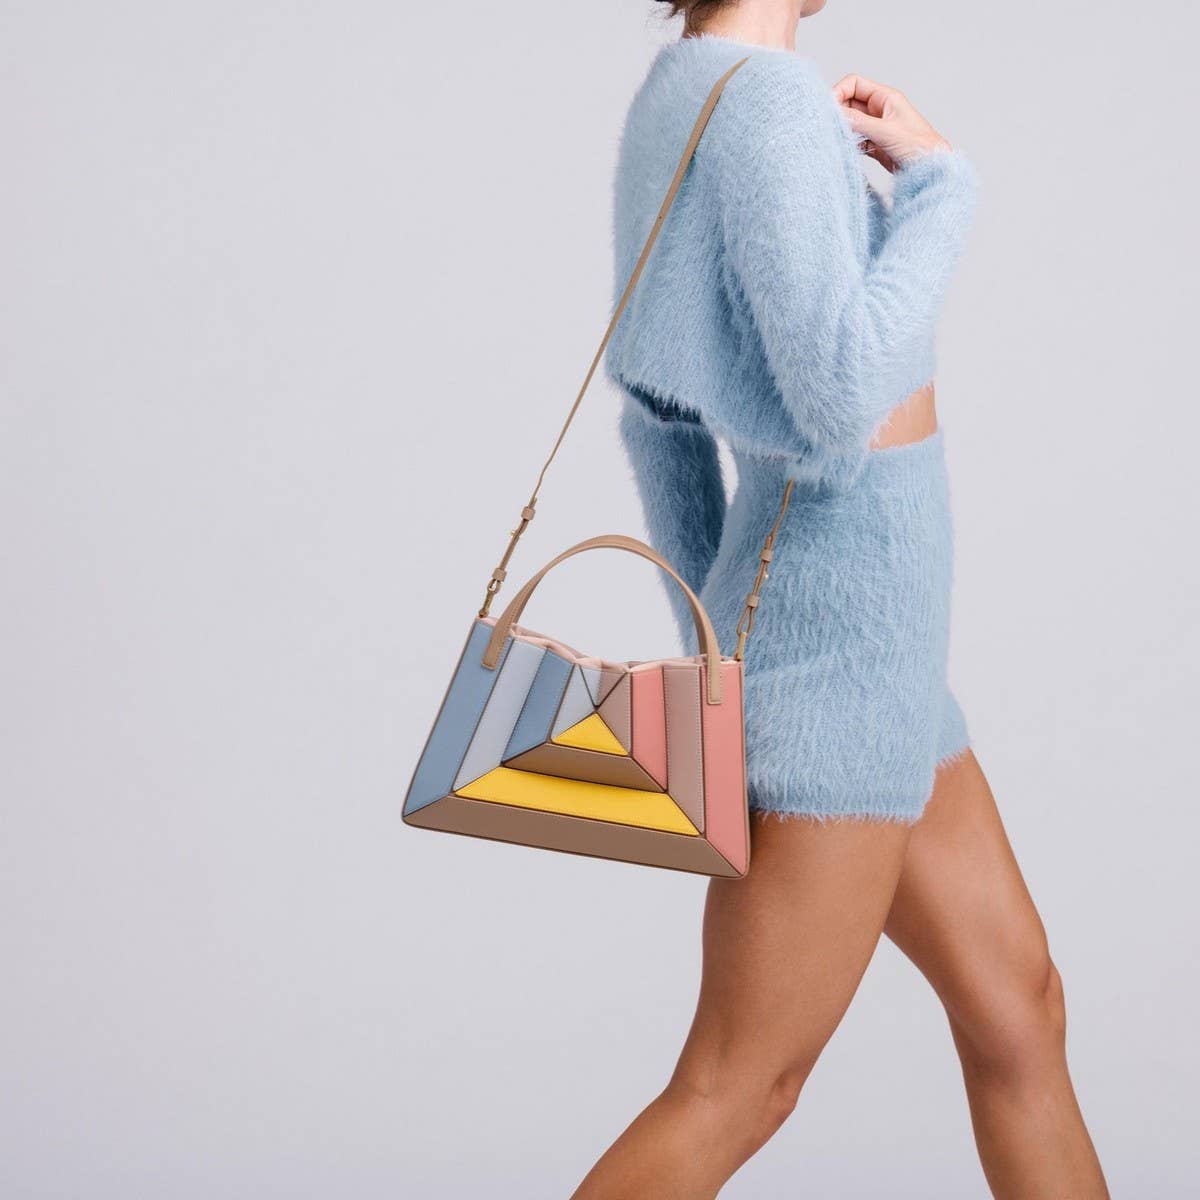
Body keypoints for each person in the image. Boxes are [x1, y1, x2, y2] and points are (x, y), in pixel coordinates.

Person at [572, 2, 1108, 1196]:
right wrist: (942, 187)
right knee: (740, 1085)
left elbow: (655, 419)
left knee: (1020, 1007)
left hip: (868, 648)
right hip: (843, 649)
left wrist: (712, 665)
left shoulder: (686, 90)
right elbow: (843, 394)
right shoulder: (764, 105)